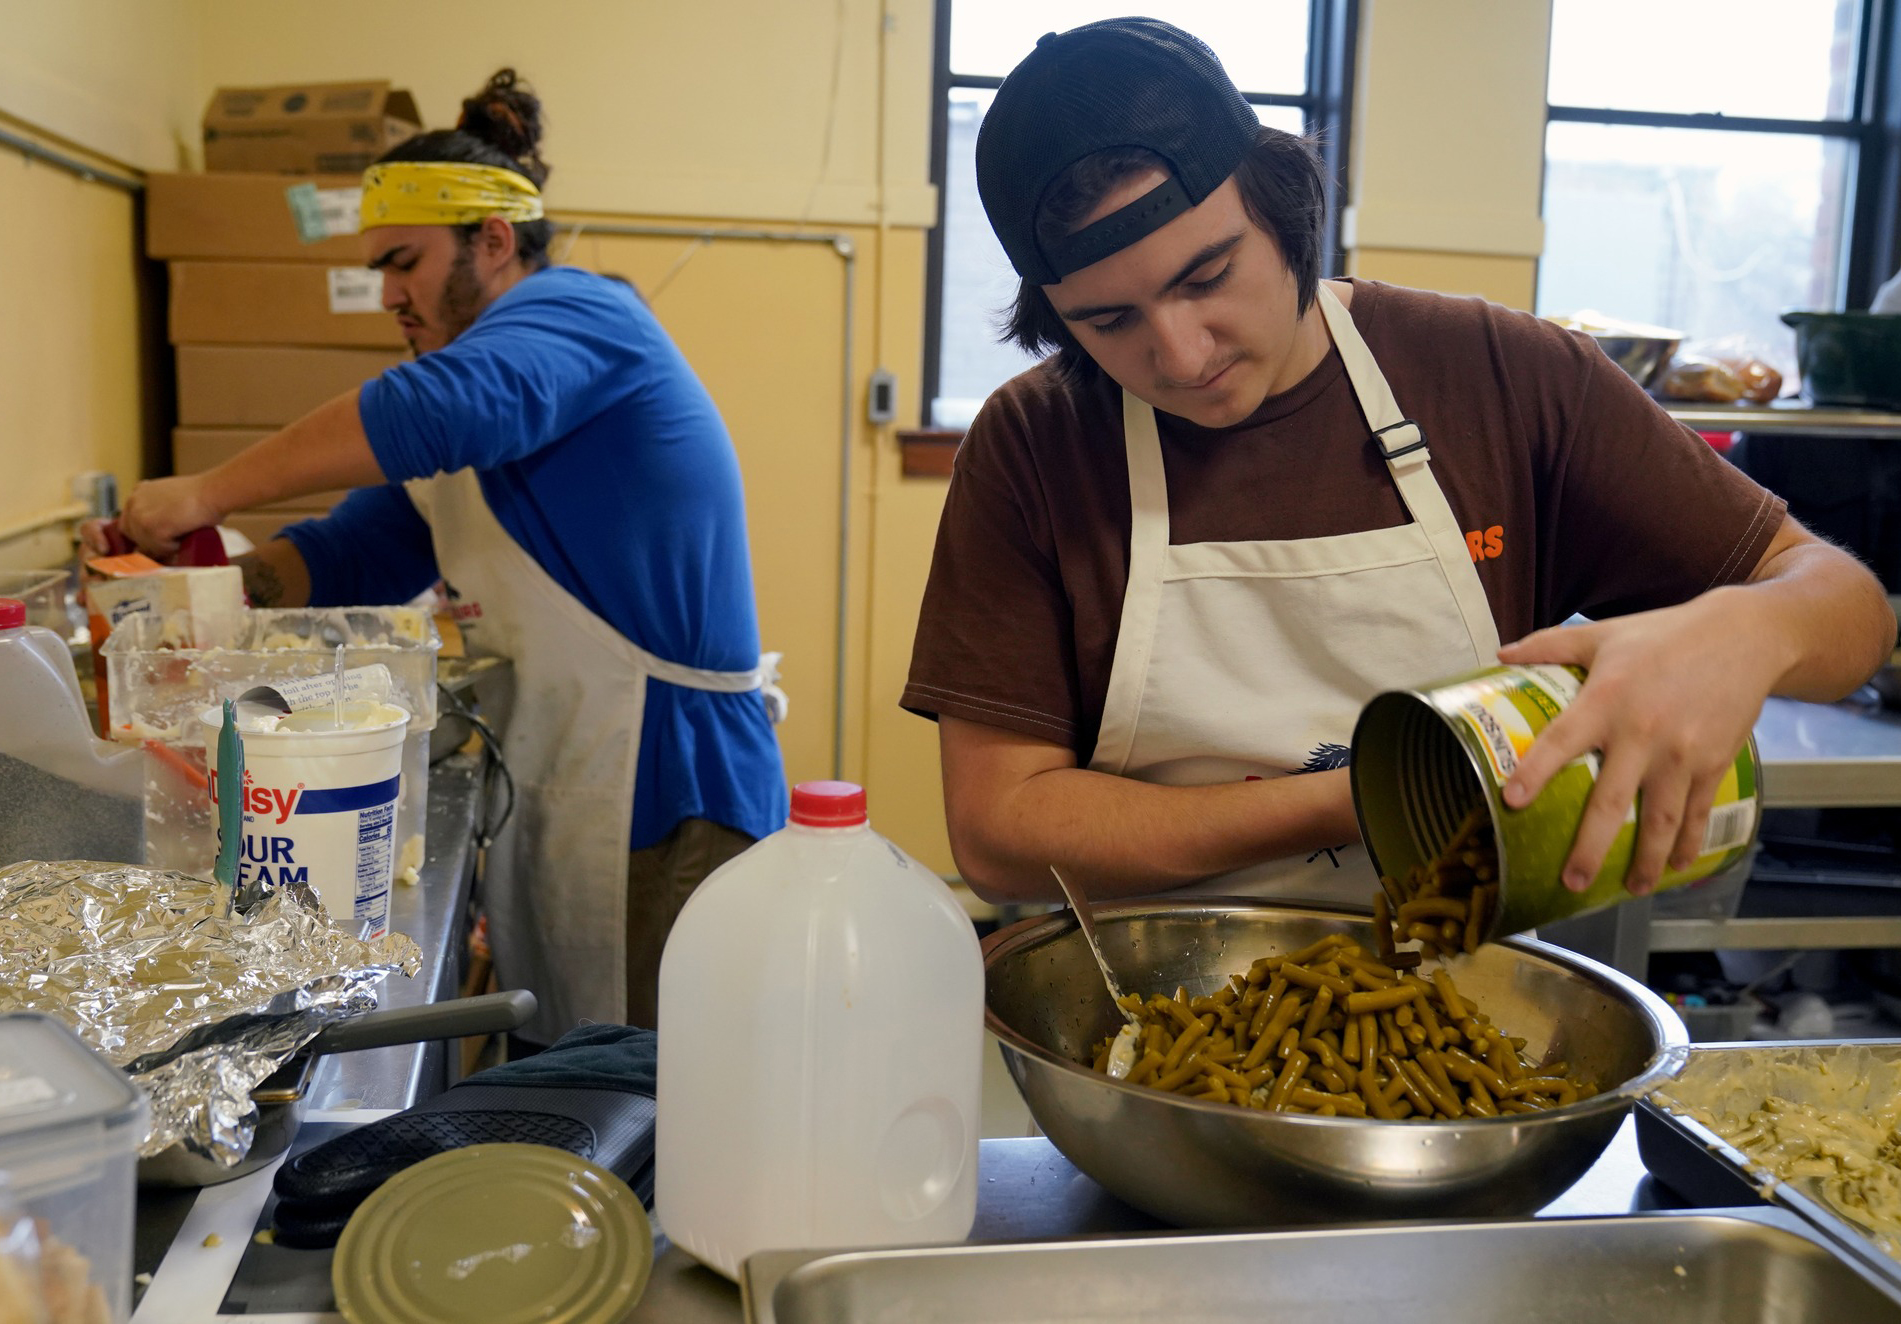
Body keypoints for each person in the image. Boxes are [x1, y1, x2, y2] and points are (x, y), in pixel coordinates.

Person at [902, 18, 1894, 910]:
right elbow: (999, 833)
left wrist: (1742, 631)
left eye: (1207, 277)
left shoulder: (1502, 375)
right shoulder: (1035, 443)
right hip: (1153, 1013)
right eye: (1106, 322)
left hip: (1472, 1005)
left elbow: (1851, 616)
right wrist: (1374, 793)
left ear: (1281, 202)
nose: (1181, 354)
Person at [107, 69, 787, 1038]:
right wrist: (210, 588)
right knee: (580, 1079)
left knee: (662, 1102)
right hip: (577, 774)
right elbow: (356, 552)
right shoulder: (479, 392)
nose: (388, 294)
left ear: (495, 241)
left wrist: (203, 491)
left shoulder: (583, 319)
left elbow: (423, 413)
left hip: (673, 791)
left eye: (404, 263)